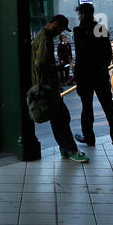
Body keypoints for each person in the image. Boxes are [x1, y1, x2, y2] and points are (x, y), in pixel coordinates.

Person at [30, 15, 87, 162]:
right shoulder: (45, 39)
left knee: (57, 119)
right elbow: (40, 65)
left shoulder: (41, 37)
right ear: (55, 24)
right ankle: (71, 150)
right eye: (61, 28)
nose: (60, 32)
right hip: (47, 86)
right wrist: (58, 67)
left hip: (44, 86)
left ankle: (64, 149)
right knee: (62, 117)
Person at [73, 3, 113, 156]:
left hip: (85, 75)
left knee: (86, 107)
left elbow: (80, 55)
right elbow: (108, 54)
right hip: (100, 74)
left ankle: (89, 137)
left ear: (82, 14)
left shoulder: (78, 30)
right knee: (109, 109)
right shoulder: (101, 29)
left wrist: (78, 74)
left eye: (79, 14)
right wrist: (101, 67)